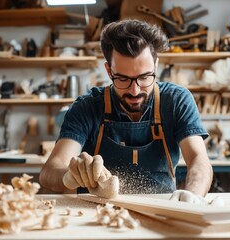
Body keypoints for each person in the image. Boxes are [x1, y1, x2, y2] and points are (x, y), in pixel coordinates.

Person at [40, 19, 213, 203]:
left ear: (155, 66)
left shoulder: (176, 101)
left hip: (162, 208)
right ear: (109, 71)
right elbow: (50, 170)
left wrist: (193, 195)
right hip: (97, 214)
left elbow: (198, 160)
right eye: (123, 79)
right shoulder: (87, 106)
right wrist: (70, 177)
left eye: (145, 77)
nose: (135, 90)